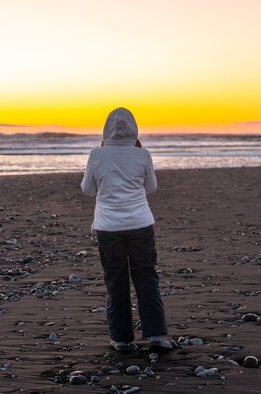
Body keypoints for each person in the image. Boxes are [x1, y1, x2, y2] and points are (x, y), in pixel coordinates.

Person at [81, 107, 172, 352]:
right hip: (140, 223)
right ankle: (156, 335)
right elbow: (151, 187)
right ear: (134, 129)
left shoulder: (97, 155)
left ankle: (121, 338)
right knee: (146, 277)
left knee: (116, 280)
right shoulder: (142, 155)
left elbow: (88, 190)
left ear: (106, 129)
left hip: (108, 227)